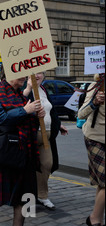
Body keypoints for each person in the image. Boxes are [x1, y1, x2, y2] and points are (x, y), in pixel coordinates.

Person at [0, 76, 45, 226]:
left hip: (25, 152)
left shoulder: (20, 94)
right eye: (21, 77)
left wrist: (37, 116)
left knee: (26, 197)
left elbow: (26, 119)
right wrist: (25, 110)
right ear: (10, 76)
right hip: (4, 153)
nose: (24, 80)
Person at [23, 72, 68, 210]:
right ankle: (27, 199)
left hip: (46, 135)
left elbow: (51, 111)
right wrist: (28, 90)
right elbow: (19, 107)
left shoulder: (43, 89)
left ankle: (42, 195)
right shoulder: (25, 88)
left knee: (47, 164)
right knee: (29, 168)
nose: (37, 76)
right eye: (34, 73)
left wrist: (58, 125)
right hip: (30, 136)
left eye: (40, 73)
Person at [78, 73, 105, 226]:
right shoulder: (96, 87)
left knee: (103, 183)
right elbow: (81, 113)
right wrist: (95, 102)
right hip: (95, 139)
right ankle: (94, 218)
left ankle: (98, 219)